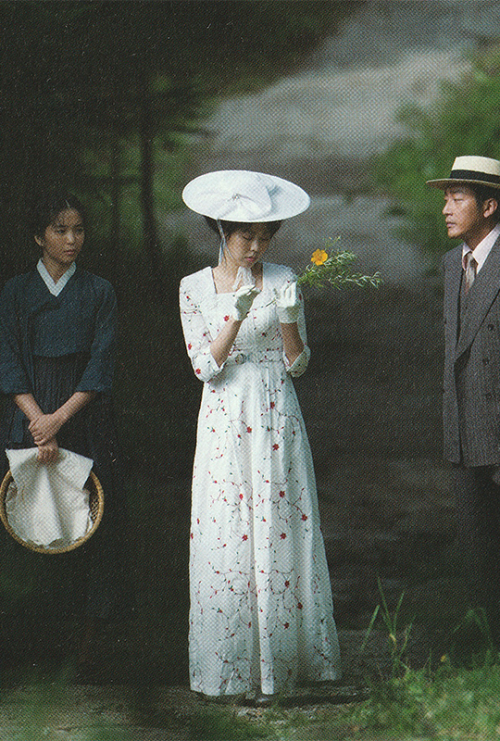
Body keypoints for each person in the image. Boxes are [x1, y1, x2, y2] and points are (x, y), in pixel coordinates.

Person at [179, 170, 341, 702]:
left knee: (277, 521)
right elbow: (205, 367)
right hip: (227, 412)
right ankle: (232, 667)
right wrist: (234, 314)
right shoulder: (195, 287)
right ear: (221, 230)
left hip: (275, 408)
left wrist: (289, 316)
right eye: (246, 236)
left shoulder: (285, 276)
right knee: (230, 526)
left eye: (265, 237)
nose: (256, 247)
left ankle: (284, 665)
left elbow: (298, 364)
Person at [0, 192, 131, 669]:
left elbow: (101, 365)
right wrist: (38, 420)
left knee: (88, 528)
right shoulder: (14, 293)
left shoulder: (98, 291)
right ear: (39, 236)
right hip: (26, 421)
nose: (72, 239)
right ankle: (29, 648)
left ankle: (84, 650)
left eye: (78, 230)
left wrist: (59, 419)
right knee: (26, 526)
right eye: (60, 230)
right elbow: (8, 361)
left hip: (84, 421)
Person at [427, 155, 500, 643]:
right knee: (478, 556)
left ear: (489, 205)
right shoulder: (452, 265)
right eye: (445, 198)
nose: (447, 208)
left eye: (459, 197)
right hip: (466, 434)